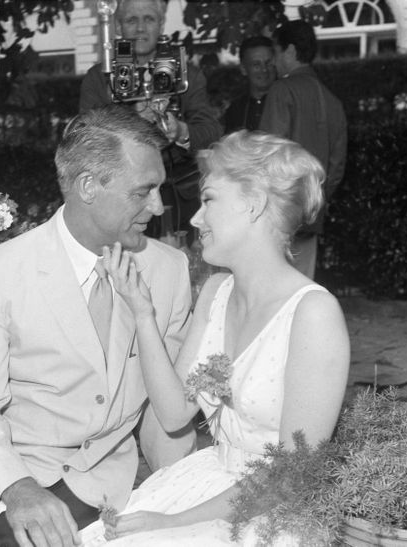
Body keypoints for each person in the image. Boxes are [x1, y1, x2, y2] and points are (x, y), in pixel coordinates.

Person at [0, 105, 196, 547]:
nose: (158, 206)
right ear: (89, 186)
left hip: (107, 480)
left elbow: (165, 413)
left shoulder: (168, 271)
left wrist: (177, 499)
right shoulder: (0, 273)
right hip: (13, 474)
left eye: (159, 190)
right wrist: (18, 489)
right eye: (143, 191)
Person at [79, 130, 350, 546]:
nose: (194, 219)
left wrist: (175, 523)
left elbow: (294, 473)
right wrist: (142, 312)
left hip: (272, 512)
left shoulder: (313, 314)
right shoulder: (215, 291)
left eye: (208, 200)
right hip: (209, 478)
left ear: (253, 205)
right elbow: (173, 414)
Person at [79, 0, 222, 236]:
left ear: (161, 24)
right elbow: (83, 140)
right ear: (118, 27)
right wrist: (129, 123)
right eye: (131, 20)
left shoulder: (187, 75)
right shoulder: (100, 79)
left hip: (179, 199)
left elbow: (212, 132)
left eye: (149, 19)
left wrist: (179, 131)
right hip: (121, 202)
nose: (140, 28)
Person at [259, 20, 347, 279]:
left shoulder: (281, 90)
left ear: (290, 51)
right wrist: (314, 202)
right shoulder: (334, 101)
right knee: (302, 290)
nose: (272, 62)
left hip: (277, 214)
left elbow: (267, 154)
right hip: (312, 214)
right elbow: (337, 166)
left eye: (275, 53)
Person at [223, 36, 276, 133]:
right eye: (256, 64)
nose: (264, 70)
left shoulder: (287, 102)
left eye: (268, 63)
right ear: (243, 69)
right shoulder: (235, 110)